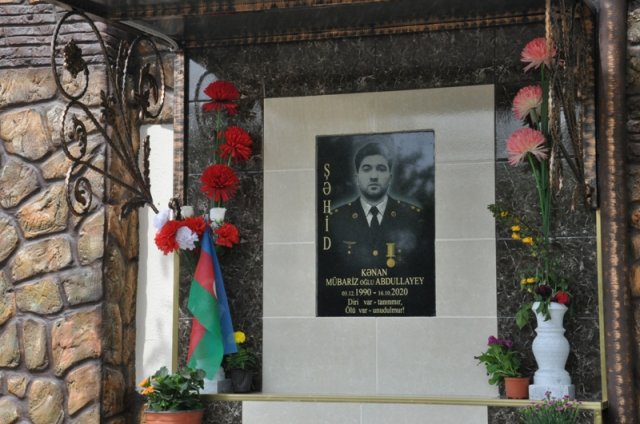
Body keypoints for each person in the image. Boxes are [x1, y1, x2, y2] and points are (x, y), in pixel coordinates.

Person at [328, 142, 426, 270]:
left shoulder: (412, 217)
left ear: (389, 178)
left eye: (381, 169)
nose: (374, 176)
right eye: (366, 169)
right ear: (357, 178)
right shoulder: (335, 219)